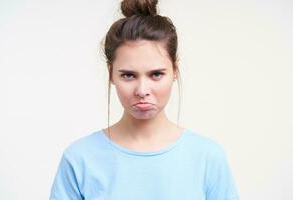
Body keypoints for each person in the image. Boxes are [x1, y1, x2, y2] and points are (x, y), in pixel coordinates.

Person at [49, 0, 240, 199]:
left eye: (156, 74)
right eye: (128, 75)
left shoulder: (208, 158)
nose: (142, 90)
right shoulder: (79, 160)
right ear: (111, 74)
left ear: (175, 70)